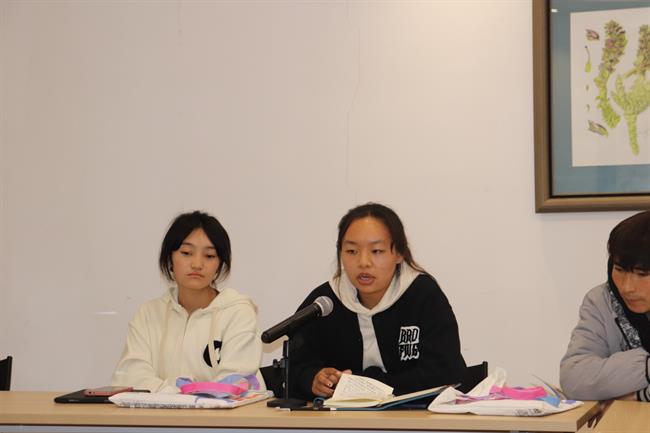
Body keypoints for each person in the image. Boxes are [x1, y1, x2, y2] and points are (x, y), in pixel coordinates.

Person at [289, 203, 466, 399]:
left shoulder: (423, 295)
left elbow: (445, 373)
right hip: (344, 418)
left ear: (399, 253)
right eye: (351, 251)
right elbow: (294, 367)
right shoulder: (325, 302)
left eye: (377, 251)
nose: (363, 262)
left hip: (417, 415)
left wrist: (363, 384)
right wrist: (312, 379)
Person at [111, 211, 262, 392]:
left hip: (224, 412)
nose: (197, 264)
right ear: (170, 258)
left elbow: (235, 384)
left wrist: (175, 391)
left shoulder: (238, 313)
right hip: (162, 411)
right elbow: (129, 377)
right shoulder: (149, 314)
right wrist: (176, 390)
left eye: (209, 256)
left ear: (219, 265)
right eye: (186, 253)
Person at [560, 210, 650, 402]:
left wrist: (636, 395)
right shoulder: (602, 300)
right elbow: (574, 379)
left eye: (642, 274)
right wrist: (647, 366)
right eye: (619, 270)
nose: (627, 287)